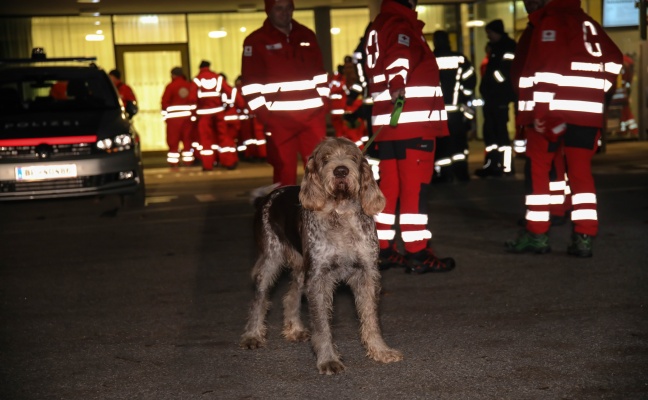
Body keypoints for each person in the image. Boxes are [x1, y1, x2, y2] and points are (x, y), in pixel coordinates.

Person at [505, 0, 623, 257]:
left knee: (539, 168)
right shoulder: (587, 22)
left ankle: (537, 234)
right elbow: (614, 59)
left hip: (553, 112)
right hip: (586, 113)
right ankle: (584, 237)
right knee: (580, 173)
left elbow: (550, 65)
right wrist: (595, 91)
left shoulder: (551, 19)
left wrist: (540, 110)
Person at [364, 0, 455, 274]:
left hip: (390, 122)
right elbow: (399, 54)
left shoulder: (380, 23)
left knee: (390, 188)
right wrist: (398, 84)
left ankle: (385, 248)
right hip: (411, 121)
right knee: (415, 188)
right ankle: (417, 251)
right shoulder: (400, 23)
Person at [240, 0, 329, 186]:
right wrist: (266, 116)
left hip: (312, 117)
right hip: (279, 120)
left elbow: (320, 74)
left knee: (319, 169)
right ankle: (282, 213)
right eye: (279, 9)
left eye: (288, 8)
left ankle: (320, 213)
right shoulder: (255, 41)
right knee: (283, 171)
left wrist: (323, 103)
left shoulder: (306, 35)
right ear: (268, 11)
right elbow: (249, 85)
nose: (285, 13)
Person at [432, 30, 477, 183]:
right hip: (456, 110)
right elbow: (471, 79)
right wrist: (463, 96)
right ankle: (462, 173)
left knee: (442, 145)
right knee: (459, 143)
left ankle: (444, 175)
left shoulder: (430, 59)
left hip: (438, 111)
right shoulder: (459, 58)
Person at [475, 19, 516, 178]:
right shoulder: (496, 48)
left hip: (500, 97)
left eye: (490, 33)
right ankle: (492, 165)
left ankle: (505, 166)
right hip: (492, 97)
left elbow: (504, 72)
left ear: (497, 32)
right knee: (490, 132)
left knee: (500, 133)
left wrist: (491, 81)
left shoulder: (508, 47)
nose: (488, 36)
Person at [191, 60, 235, 171]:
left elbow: (191, 98)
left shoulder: (197, 80)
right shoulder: (218, 78)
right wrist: (228, 105)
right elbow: (230, 92)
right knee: (223, 138)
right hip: (219, 113)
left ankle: (208, 165)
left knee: (206, 140)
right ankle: (228, 162)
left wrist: (194, 113)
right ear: (209, 67)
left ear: (200, 68)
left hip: (204, 114)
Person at [161, 67, 195, 168]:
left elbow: (164, 103)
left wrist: (165, 117)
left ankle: (174, 163)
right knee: (187, 140)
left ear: (173, 75)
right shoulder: (189, 85)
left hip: (173, 120)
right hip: (187, 119)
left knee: (173, 142)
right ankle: (188, 162)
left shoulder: (170, 86)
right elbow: (193, 101)